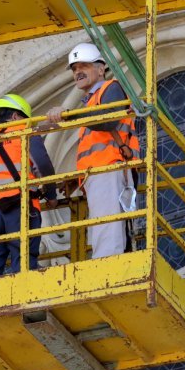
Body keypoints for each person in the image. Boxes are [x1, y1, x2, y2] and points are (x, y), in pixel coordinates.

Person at [46, 42, 139, 259]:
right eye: (74, 68)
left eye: (84, 66)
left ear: (100, 69)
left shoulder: (112, 88)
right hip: (100, 173)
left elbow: (106, 122)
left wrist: (69, 115)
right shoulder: (90, 103)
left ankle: (108, 268)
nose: (77, 72)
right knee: (104, 226)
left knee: (108, 227)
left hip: (110, 169)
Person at [0, 94, 58, 278]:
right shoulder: (25, 133)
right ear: (17, 117)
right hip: (19, 209)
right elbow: (43, 165)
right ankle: (27, 306)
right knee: (24, 264)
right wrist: (51, 195)